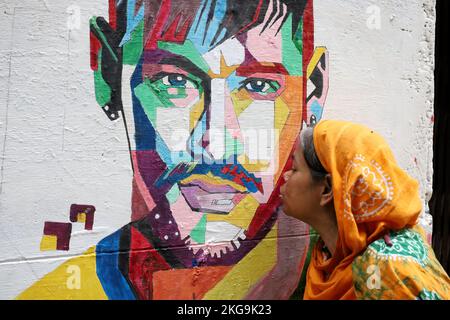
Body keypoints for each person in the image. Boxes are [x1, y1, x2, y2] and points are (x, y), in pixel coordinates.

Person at [18, 0, 328, 299]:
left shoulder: (358, 273)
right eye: (174, 81)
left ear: (311, 93)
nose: (215, 147)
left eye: (259, 86)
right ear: (107, 77)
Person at [280, 119, 450, 299]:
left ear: (327, 189)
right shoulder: (325, 256)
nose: (285, 176)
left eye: (295, 169)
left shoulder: (385, 269)